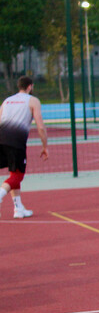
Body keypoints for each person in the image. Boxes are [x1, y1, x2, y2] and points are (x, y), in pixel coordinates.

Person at [0, 76, 48, 218]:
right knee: (18, 176)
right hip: (16, 142)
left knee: (14, 173)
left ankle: (18, 208)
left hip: (1, 139)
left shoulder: (7, 100)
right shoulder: (33, 101)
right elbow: (40, 126)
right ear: (30, 86)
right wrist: (45, 146)